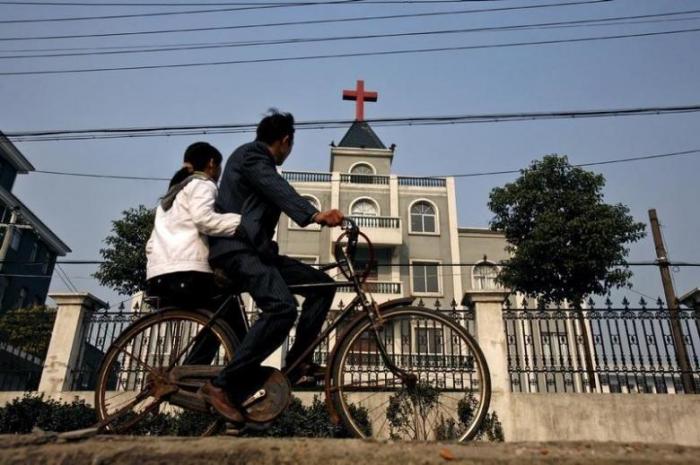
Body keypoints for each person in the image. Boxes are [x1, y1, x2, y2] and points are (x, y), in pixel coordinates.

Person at [200, 110, 344, 422]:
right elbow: (276, 188)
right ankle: (220, 385)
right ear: (285, 141)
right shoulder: (251, 156)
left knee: (323, 285)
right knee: (282, 308)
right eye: (290, 146)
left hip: (258, 252)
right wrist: (314, 214)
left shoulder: (255, 162)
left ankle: (298, 363)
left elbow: (269, 195)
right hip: (236, 251)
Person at [145, 141, 247, 363]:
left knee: (221, 321)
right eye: (219, 167)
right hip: (188, 275)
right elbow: (205, 220)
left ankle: (193, 372)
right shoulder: (203, 184)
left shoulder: (168, 199)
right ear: (212, 163)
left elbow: (150, 245)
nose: (219, 173)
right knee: (232, 320)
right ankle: (227, 374)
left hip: (159, 277)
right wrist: (244, 223)